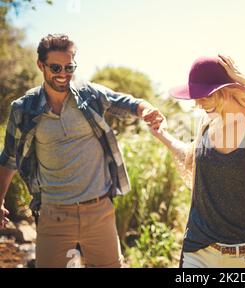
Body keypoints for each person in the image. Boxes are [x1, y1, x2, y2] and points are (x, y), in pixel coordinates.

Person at [0, 34, 163, 268]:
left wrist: (146, 110)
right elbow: (9, 159)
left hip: (98, 211)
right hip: (53, 214)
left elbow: (125, 102)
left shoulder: (89, 94)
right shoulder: (24, 109)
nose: (63, 73)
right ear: (40, 65)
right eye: (55, 67)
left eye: (69, 67)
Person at [146, 55, 245, 268]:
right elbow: (191, 159)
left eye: (204, 96)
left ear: (226, 90)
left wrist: (244, 79)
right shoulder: (206, 125)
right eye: (196, 98)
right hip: (198, 249)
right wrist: (163, 135)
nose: (198, 104)